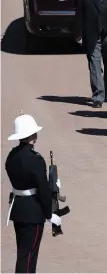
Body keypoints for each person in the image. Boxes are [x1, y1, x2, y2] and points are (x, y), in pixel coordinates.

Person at [5, 113, 61, 273]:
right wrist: (49, 213)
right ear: (32, 136)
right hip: (33, 213)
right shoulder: (36, 159)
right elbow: (42, 188)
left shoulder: (12, 156)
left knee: (23, 254)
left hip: (18, 209)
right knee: (30, 256)